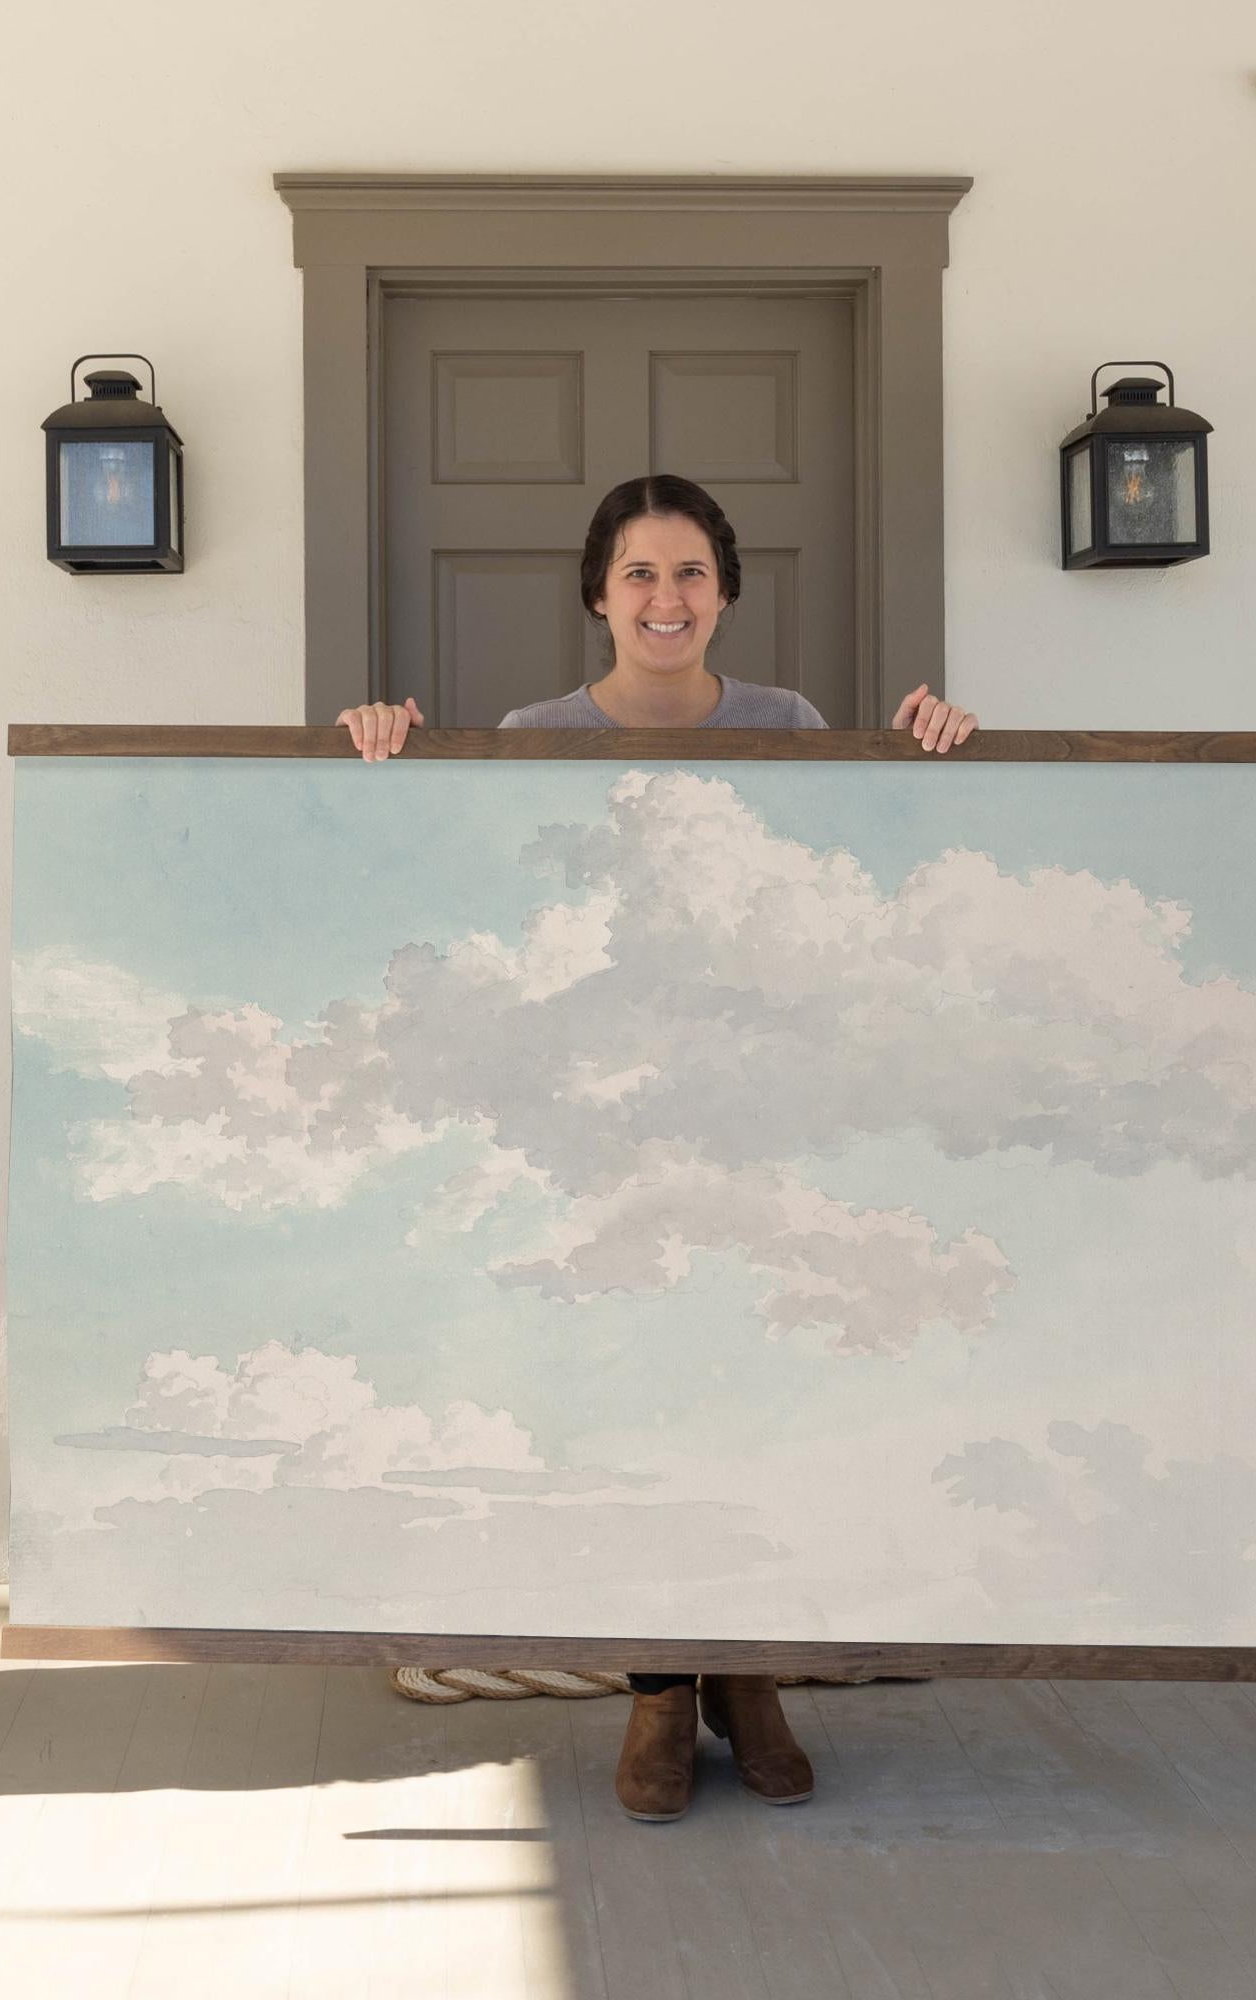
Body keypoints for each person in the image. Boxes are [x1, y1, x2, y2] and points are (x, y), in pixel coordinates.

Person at [338, 473, 979, 1822]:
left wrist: (932, 750)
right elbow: (473, 888)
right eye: (639, 573)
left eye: (690, 572)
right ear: (598, 594)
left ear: (727, 592)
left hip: (760, 1100)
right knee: (625, 1385)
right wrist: (390, 747)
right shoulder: (529, 734)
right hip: (599, 1106)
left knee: (753, 1378)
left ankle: (748, 1676)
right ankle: (656, 1689)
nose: (666, 598)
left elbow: (863, 879)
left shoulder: (793, 727)